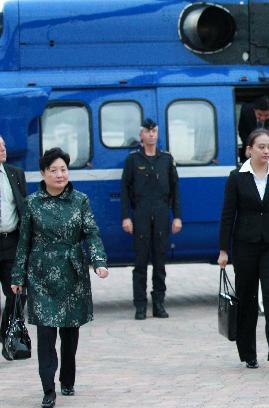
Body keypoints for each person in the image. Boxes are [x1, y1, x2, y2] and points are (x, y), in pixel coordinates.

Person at [10, 148, 109, 408]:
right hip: (41, 274)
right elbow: (24, 242)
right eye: (53, 170)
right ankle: (48, 389)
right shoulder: (32, 203)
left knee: (69, 332)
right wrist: (18, 276)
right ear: (43, 174)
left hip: (73, 273)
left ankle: (67, 378)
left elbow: (92, 233)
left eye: (63, 169)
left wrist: (99, 262)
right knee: (45, 334)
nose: (59, 174)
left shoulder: (80, 200)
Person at [218, 129, 269, 371]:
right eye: (261, 146)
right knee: (248, 298)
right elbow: (228, 215)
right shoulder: (236, 177)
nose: (266, 151)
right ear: (249, 149)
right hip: (245, 245)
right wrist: (223, 249)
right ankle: (248, 352)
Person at [121, 118, 182, 320]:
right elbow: (124, 190)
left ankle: (159, 304)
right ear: (141, 135)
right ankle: (140, 306)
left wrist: (177, 217)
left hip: (162, 213)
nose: (151, 135)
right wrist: (126, 217)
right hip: (141, 214)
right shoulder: (133, 160)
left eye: (154, 131)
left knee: (160, 261)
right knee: (140, 262)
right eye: (147, 132)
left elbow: (175, 190)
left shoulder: (166, 159)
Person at [0, 136, 27, 361]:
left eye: (4, 145)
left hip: (11, 243)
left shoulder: (15, 174)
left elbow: (24, 208)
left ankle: (6, 336)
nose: (2, 149)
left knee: (17, 292)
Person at [238, 96, 269, 163]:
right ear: (254, 110)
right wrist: (249, 146)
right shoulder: (246, 111)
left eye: (266, 115)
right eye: (259, 114)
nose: (262, 118)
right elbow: (243, 132)